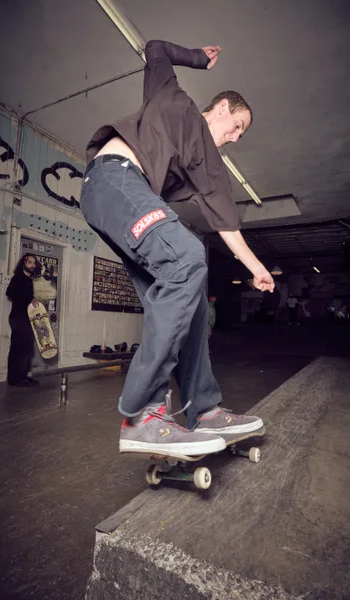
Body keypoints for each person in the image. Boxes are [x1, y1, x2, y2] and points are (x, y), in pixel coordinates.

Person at [80, 40, 274, 456]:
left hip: (123, 200)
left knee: (193, 298)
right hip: (112, 179)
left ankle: (203, 410)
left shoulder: (207, 164)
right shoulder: (172, 98)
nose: (236, 137)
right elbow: (155, 50)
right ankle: (142, 415)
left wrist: (258, 268)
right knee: (187, 257)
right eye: (237, 125)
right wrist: (199, 59)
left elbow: (226, 222)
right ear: (222, 107)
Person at [6, 254, 40, 387]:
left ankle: (23, 376)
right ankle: (15, 379)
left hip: (26, 318)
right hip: (18, 317)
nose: (32, 265)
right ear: (24, 263)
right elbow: (10, 293)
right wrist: (29, 299)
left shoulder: (28, 280)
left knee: (26, 348)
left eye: (34, 263)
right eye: (30, 262)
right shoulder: (18, 278)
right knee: (18, 348)